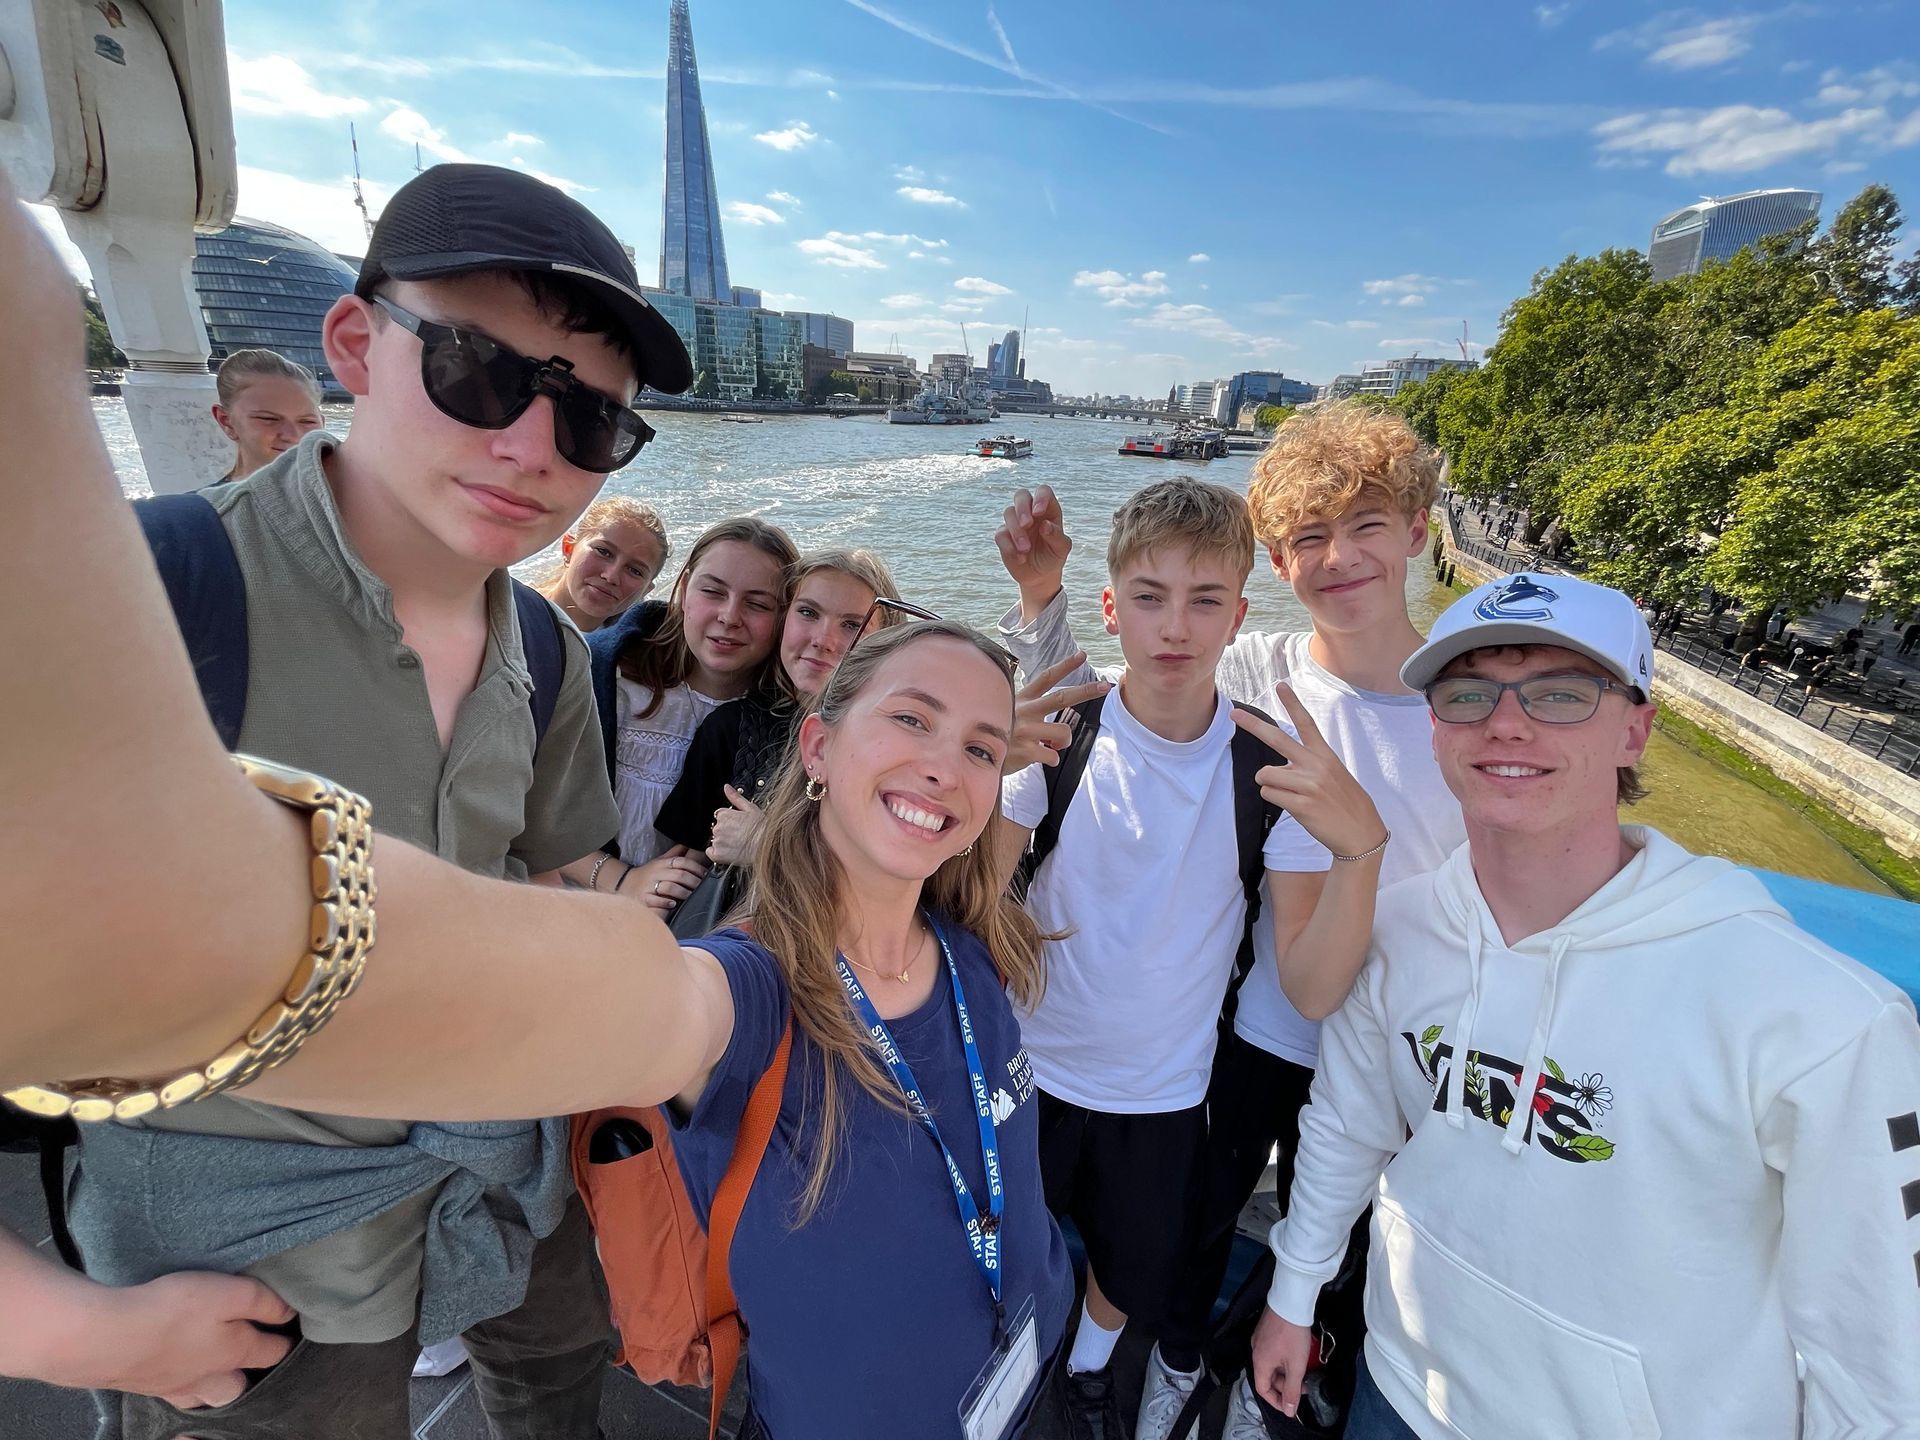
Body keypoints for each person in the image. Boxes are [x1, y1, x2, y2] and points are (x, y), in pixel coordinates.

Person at [61, 162, 695, 1440]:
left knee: (559, 1389)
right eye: (477, 371)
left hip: (504, 1165)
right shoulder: (138, 596)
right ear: (356, 343)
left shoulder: (551, 645)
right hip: (243, 1253)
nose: (529, 446)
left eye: (588, 422)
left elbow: (560, 870)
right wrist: (68, 1328)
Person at [1249, 572, 1920, 1436]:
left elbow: (1873, 1341)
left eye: (1561, 694)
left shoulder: (1818, 1017)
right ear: (1436, 728)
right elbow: (1351, 1122)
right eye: (1468, 693)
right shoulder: (1403, 928)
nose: (1506, 722)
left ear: (1636, 730)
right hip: (1403, 1387)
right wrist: (1294, 1294)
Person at [994, 404, 1468, 1439]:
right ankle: (1163, 1366)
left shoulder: (1469, 701)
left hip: (1408, 1037)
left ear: (1423, 530)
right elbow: (1103, 698)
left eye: (1368, 526)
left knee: (1344, 1246)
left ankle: (1275, 1384)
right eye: (1308, 538)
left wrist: (1363, 845)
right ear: (1283, 572)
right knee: (1183, 1236)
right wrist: (1039, 600)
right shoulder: (1268, 681)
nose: (1338, 558)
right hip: (1249, 1034)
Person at [579, 515, 799, 912]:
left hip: (700, 935)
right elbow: (528, 805)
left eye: (758, 604)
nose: (730, 616)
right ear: (682, 589)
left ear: (787, 617)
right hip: (574, 901)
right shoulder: (602, 675)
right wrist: (621, 879)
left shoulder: (790, 722)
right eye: (713, 592)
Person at [654, 547, 899, 891]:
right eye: (808, 612)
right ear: (783, 620)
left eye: (851, 625)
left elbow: (908, 877)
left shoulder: (897, 747)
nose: (823, 640)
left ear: (885, 641)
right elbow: (685, 865)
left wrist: (767, 845)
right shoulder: (731, 729)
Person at [535, 493, 670, 632]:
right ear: (568, 549)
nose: (611, 577)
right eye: (603, 552)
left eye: (635, 571)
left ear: (645, 590)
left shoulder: (636, 646)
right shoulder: (516, 614)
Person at [209, 349, 324, 482]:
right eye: (269, 419)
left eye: (307, 421)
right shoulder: (200, 503)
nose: (293, 435)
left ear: (322, 422)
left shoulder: (346, 497)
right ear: (226, 422)